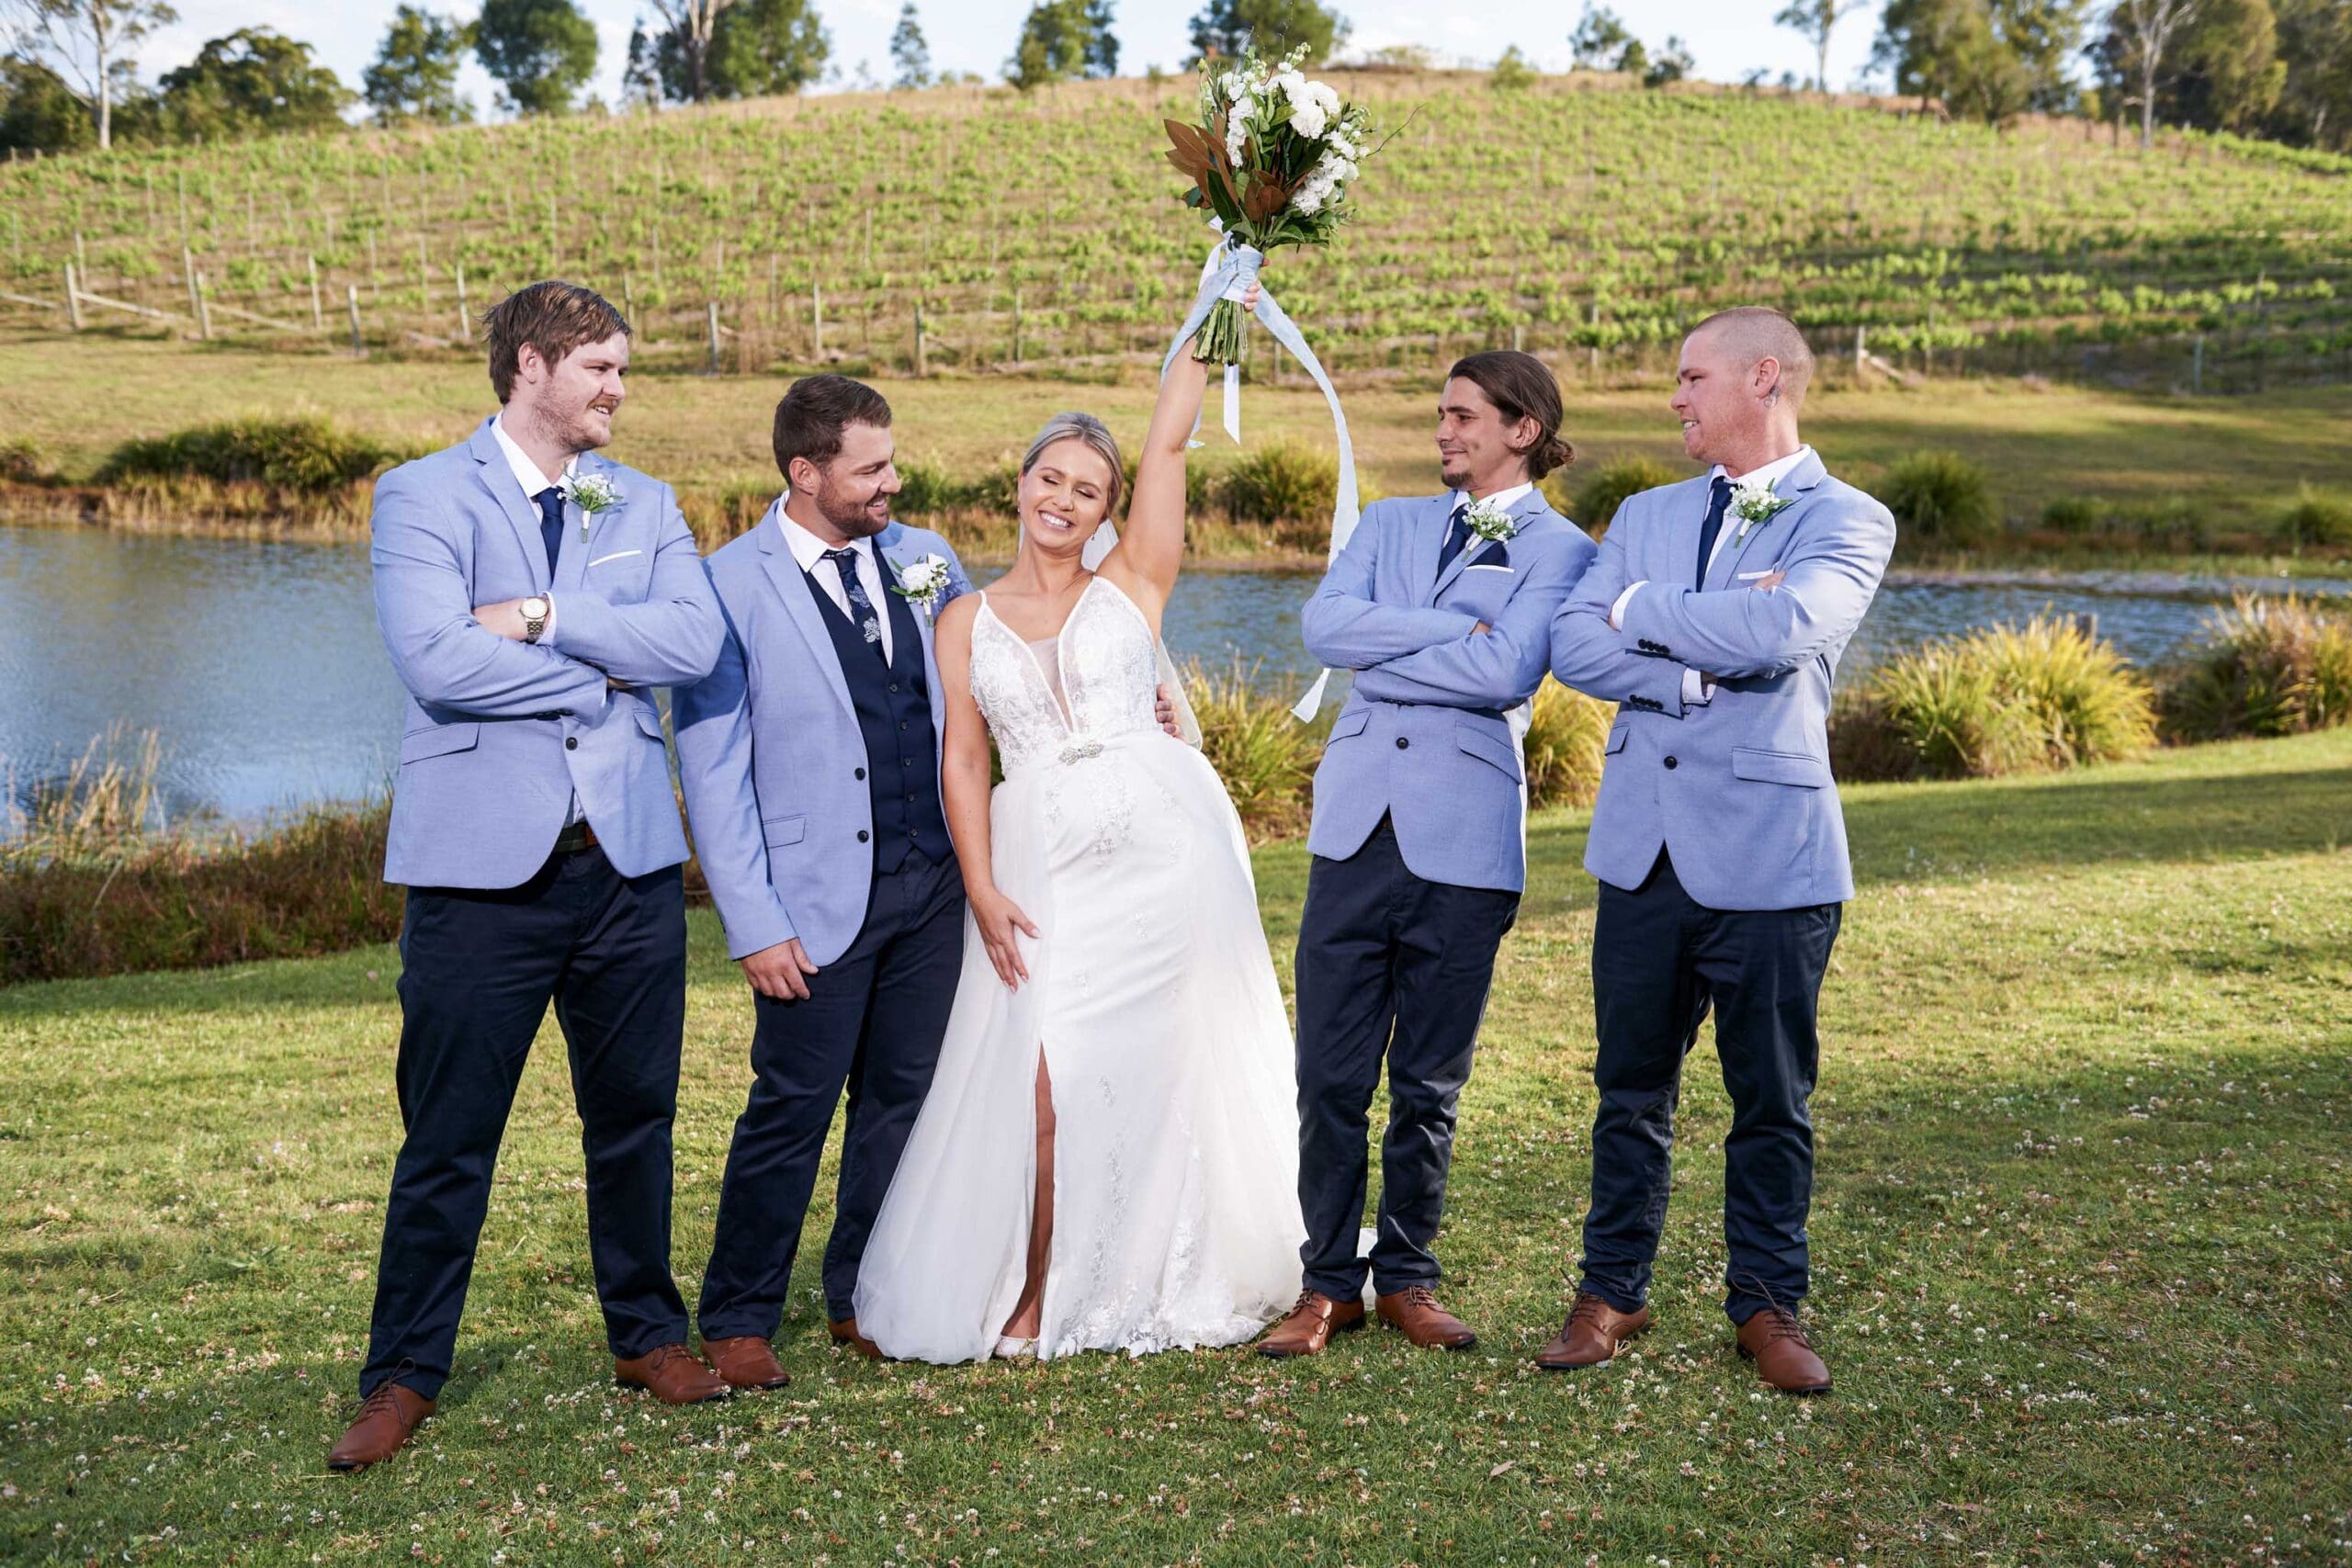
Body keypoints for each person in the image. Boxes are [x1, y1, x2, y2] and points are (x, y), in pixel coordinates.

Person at [851, 288, 1306, 1363]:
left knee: (1172, 1065)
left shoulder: (1134, 582)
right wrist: (980, 886)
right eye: (1049, 478)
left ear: (1110, 509)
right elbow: (964, 756)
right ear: (1019, 485)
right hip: (1047, 874)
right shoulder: (962, 618)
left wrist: (1221, 296)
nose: (1064, 498)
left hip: (1167, 857)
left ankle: (1168, 1266)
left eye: (1087, 488)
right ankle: (1036, 1290)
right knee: (1043, 1078)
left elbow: (1168, 438)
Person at [333, 280, 726, 1474]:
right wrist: (597, 665)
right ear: (531, 365)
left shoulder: (644, 502)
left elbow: (696, 644)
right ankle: (403, 1372)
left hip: (626, 872)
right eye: (601, 367)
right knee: (448, 1136)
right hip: (474, 879)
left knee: (637, 1120)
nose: (619, 389)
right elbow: (436, 661)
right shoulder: (420, 493)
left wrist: (545, 615)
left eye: (621, 370)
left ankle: (649, 1333)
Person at [1543, 307, 1894, 1395]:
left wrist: (1641, 608)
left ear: (1762, 380)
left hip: (1772, 857)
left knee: (1771, 1097)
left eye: (1691, 378)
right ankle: (1612, 1291)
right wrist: (1682, 664)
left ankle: (1767, 1305)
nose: (1674, 398)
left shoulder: (1850, 519)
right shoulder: (1645, 511)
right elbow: (1570, 639)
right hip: (1641, 855)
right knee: (1627, 1090)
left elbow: (1784, 632)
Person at [1260, 351, 1596, 1359]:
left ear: (1522, 428)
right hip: (1355, 831)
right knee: (1326, 1073)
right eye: (1440, 415)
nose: (1442, 431)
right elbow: (1325, 627)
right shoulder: (1389, 522)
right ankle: (1327, 1285)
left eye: (1461, 416)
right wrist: (1449, 623)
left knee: (1428, 1083)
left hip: (1465, 843)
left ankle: (1406, 1276)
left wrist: (1395, 643)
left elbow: (1504, 670)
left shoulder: (1564, 550)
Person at [673, 376, 978, 1392]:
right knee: (790, 1108)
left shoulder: (927, 560)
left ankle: (864, 1292)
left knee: (902, 1098)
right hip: (809, 900)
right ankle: (739, 1314)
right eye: (873, 468)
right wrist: (753, 923)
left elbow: (987, 691)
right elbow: (713, 772)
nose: (896, 481)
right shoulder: (726, 585)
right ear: (805, 474)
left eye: (893, 461)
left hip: (931, 887)